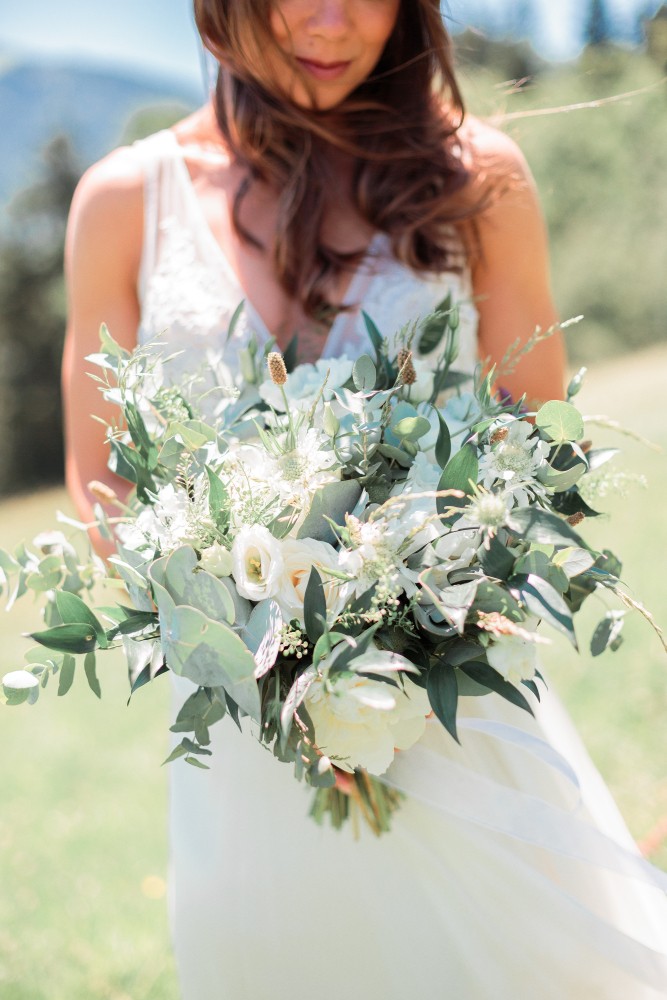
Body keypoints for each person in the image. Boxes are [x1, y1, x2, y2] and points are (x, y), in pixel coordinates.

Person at [62, 2, 667, 997]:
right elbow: (103, 483)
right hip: (243, 752)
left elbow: (533, 438)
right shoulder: (125, 201)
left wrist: (401, 610)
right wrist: (260, 647)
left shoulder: (478, 176)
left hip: (449, 707)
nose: (334, 20)